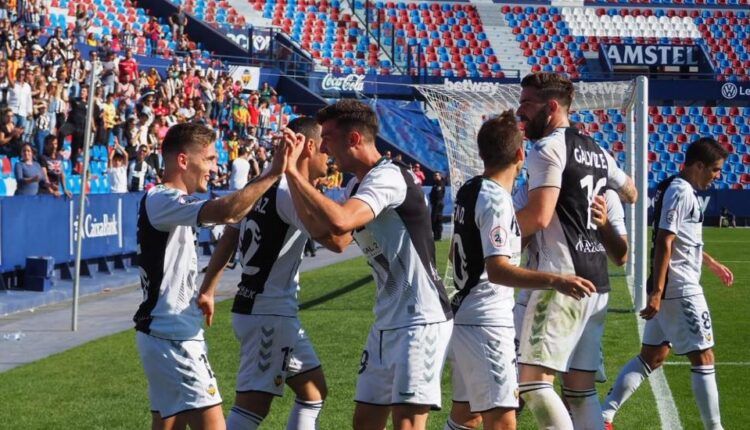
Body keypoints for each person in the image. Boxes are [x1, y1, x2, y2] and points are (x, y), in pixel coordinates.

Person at [283, 99, 453, 430]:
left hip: (421, 320)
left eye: (328, 137)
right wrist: (291, 177)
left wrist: (293, 172)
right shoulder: (356, 184)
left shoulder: (388, 177)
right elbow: (336, 240)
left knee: (407, 425)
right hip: (387, 321)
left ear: (355, 139)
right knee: (365, 423)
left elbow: (343, 221)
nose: (323, 147)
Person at [133, 122, 289, 430]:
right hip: (173, 334)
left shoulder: (172, 202)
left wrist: (204, 292)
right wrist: (273, 172)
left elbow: (231, 207)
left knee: (168, 424)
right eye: (209, 159)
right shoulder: (161, 199)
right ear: (183, 160)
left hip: (163, 331)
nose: (214, 168)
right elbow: (230, 212)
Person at [445, 111, 596, 430]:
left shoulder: (469, 189)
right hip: (487, 321)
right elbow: (499, 270)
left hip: (465, 316)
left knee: (465, 416)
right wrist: (556, 280)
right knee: (502, 420)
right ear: (520, 154)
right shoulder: (497, 201)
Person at [512, 72, 638, 430]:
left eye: (527, 104)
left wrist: (490, 239)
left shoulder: (547, 148)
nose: (520, 112)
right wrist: (605, 195)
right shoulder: (597, 150)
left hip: (561, 281)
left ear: (551, 107)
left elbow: (538, 217)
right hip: (596, 285)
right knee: (580, 392)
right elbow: (631, 191)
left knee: (533, 383)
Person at [200, 117, 334, 430]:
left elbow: (231, 236)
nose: (329, 155)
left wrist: (208, 289)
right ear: (308, 147)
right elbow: (334, 237)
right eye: (324, 148)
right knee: (251, 408)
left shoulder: (259, 184)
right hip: (268, 312)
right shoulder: (288, 193)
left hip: (263, 309)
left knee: (313, 391)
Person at [602, 138, 734, 430]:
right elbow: (664, 240)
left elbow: (682, 239)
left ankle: (604, 415)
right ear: (698, 165)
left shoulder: (676, 187)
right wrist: (657, 293)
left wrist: (709, 262)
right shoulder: (679, 191)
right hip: (680, 289)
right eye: (714, 169)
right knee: (704, 356)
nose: (717, 176)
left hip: (673, 287)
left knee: (653, 356)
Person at [428, 171, 445, 241]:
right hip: (435, 203)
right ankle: (436, 236)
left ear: (440, 176)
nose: (435, 176)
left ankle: (437, 236)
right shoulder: (435, 184)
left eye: (437, 175)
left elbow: (438, 194)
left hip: (438, 203)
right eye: (434, 175)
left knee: (435, 220)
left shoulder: (440, 183)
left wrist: (434, 200)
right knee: (436, 220)